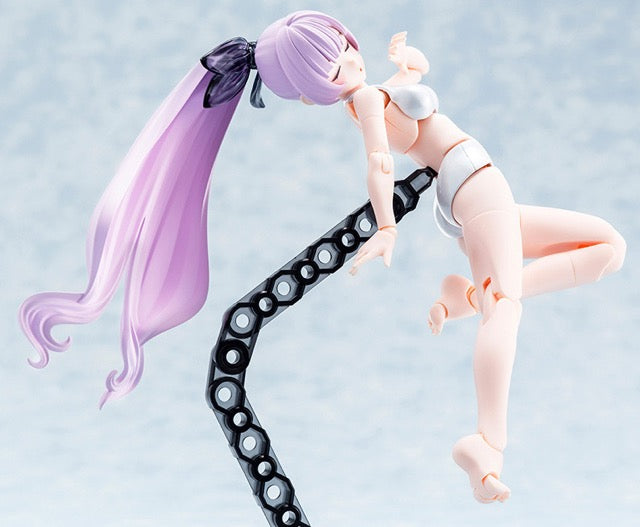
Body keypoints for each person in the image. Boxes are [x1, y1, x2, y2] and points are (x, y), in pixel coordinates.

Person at [19, 10, 626, 504]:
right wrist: (384, 227)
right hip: (474, 191)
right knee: (507, 313)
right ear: (313, 94)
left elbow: (410, 106)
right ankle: (487, 443)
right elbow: (380, 163)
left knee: (606, 248)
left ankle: (468, 296)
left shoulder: (375, 92)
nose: (349, 60)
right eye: (331, 64)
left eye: (342, 45)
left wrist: (406, 61)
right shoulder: (366, 105)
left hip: (485, 192)